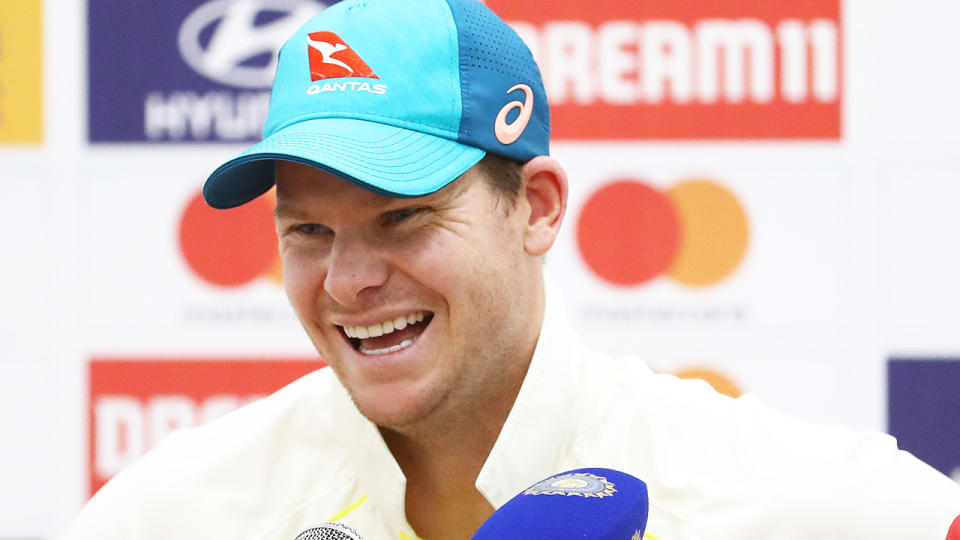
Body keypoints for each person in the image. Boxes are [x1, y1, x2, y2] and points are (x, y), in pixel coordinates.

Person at [65, 0, 960, 539]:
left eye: (402, 217)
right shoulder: (173, 514)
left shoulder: (773, 495)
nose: (346, 282)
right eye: (307, 233)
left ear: (535, 207)